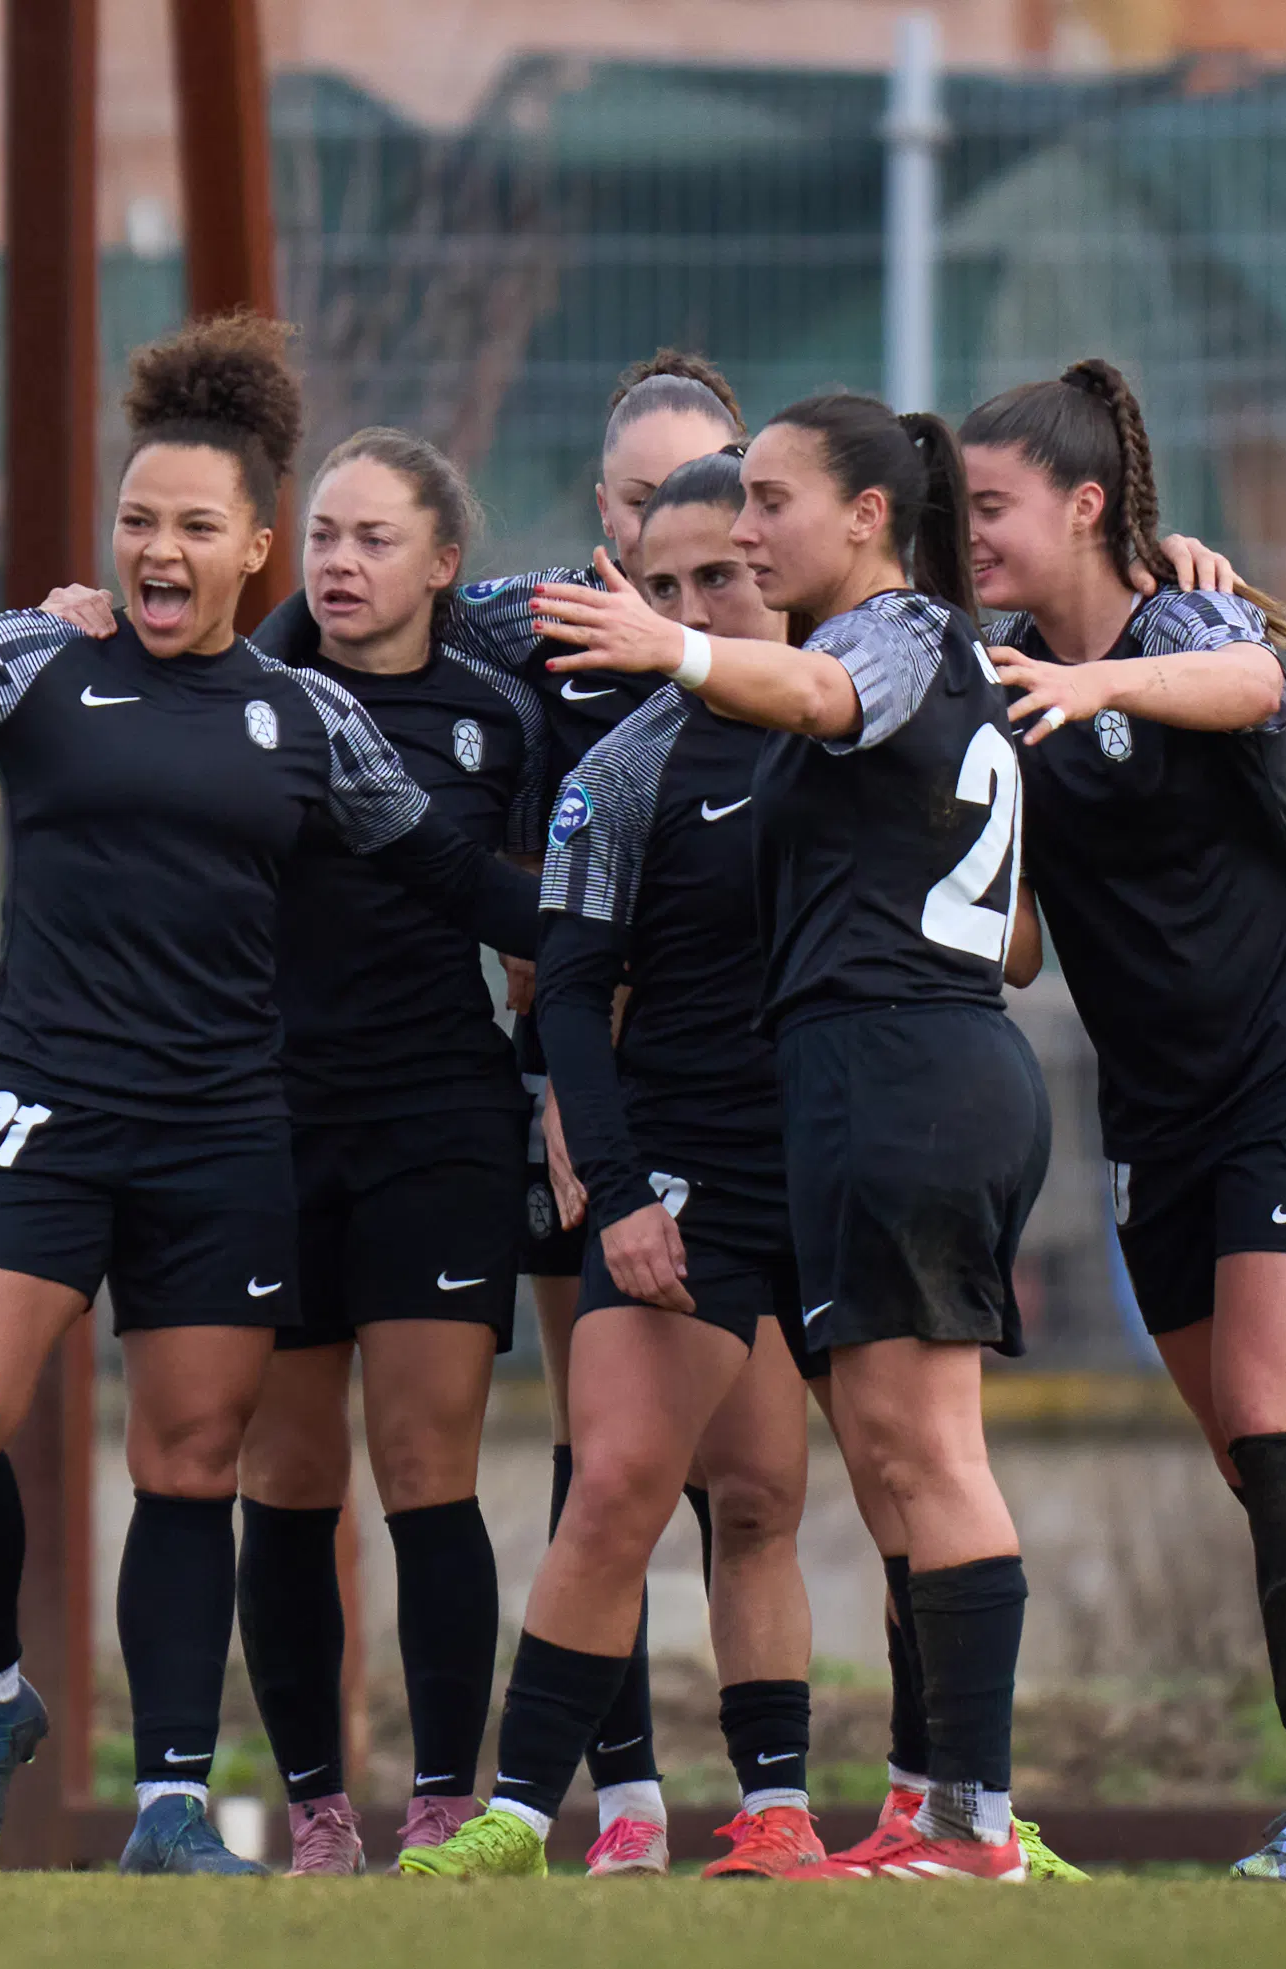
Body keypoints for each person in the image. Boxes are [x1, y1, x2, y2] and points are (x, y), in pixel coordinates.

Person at [0, 313, 540, 1875]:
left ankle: (169, 1806)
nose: (159, 550)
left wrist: (643, 927)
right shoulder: (39, 658)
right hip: (48, 1106)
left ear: (253, 547)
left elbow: (460, 880)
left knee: (191, 1467)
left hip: (226, 1133)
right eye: (138, 521)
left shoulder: (311, 718)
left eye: (197, 526)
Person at [530, 390, 1051, 1881]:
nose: (746, 534)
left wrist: (674, 649)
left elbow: (828, 696)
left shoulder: (891, 634)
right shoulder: (913, 652)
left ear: (869, 515)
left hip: (904, 1069)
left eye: (770, 503)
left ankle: (974, 1822)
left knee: (925, 1454)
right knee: (897, 1454)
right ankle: (947, 1815)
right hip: (900, 1071)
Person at [966, 359, 1286, 1880]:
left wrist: (1100, 684)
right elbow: (1025, 948)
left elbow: (1253, 685)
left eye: (993, 507)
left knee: (1273, 1415)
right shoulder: (997, 678)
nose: (970, 534)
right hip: (1157, 1114)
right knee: (1259, 1452)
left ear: (1085, 506)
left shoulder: (1186, 617)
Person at [398, 449, 830, 1878]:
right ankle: (524, 1815)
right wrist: (626, 1187)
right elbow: (569, 996)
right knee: (619, 1484)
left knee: (772, 1496)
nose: (694, 608)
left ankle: (802, 1810)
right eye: (664, 585)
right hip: (691, 1172)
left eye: (725, 578)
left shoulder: (855, 720)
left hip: (842, 1168)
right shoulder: (623, 769)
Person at [230, 433, 543, 1874]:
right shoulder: (246, 696)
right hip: (271, 1120)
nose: (340, 563)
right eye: (323, 537)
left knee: (426, 1465)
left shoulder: (499, 713)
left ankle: (438, 1802)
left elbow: (532, 922)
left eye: (374, 539)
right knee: (290, 1472)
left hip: (438, 1121)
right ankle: (314, 1811)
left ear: (443, 565)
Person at [455, 352, 751, 1867]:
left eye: (707, 497)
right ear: (600, 512)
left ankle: (860, 1793)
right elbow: (347, 604)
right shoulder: (532, 629)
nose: (666, 537)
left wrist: (1163, 563)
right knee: (609, 1442)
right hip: (578, 1073)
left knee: (755, 1469)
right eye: (641, 503)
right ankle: (621, 1794)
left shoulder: (804, 657)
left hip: (745, 1097)